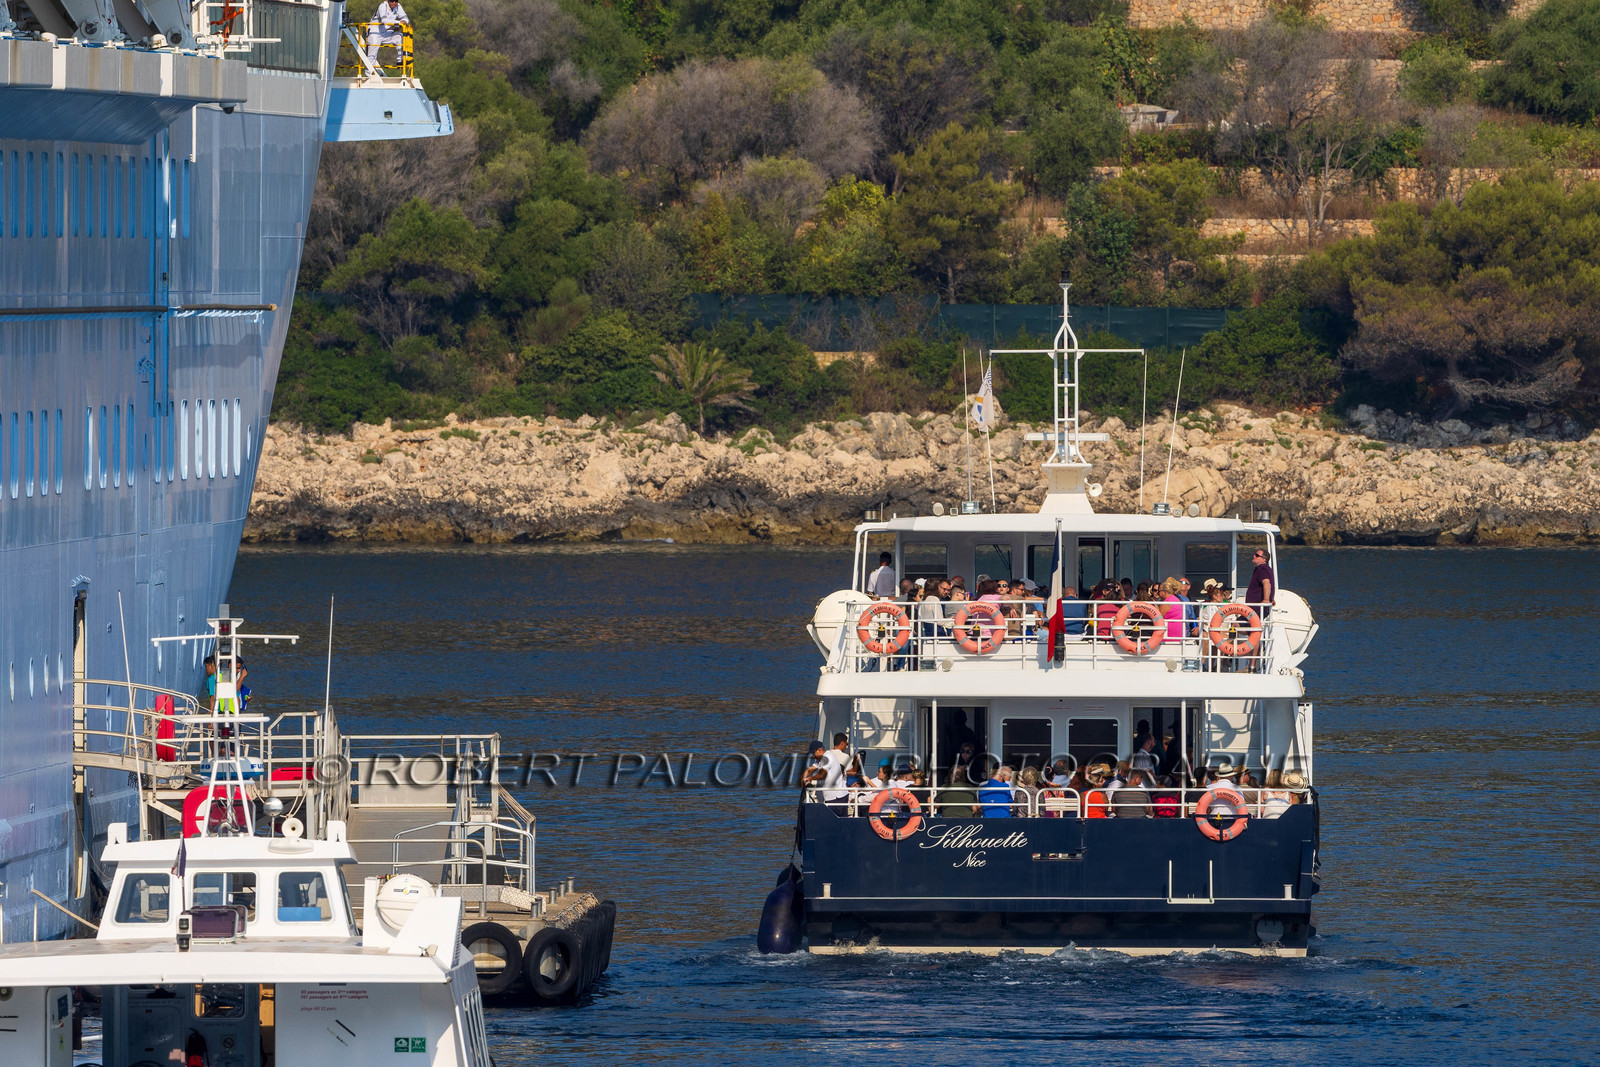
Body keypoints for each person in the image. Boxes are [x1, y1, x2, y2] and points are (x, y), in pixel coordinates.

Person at [366, 0, 410, 66]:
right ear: (388, 1)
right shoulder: (383, 6)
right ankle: (369, 75)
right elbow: (384, 20)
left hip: (384, 32)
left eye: (396, 1)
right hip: (374, 32)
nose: (394, 3)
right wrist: (398, 23)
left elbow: (406, 18)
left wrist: (403, 22)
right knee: (372, 56)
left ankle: (401, 61)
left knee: (400, 37)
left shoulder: (398, 6)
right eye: (392, 1)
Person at [1246, 548, 1275, 617]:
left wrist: (1266, 600)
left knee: (1236, 624)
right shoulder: (1266, 568)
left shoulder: (1262, 569)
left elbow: (1267, 584)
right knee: (1237, 624)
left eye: (1257, 555)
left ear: (1264, 559)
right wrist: (1272, 599)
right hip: (1256, 609)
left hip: (1257, 609)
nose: (1254, 556)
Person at [1161, 577, 1186, 641]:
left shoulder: (1166, 603)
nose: (1158, 592)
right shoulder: (1177, 600)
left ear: (1165, 592)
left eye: (1160, 591)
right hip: (1180, 636)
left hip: (1169, 637)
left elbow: (1158, 618)